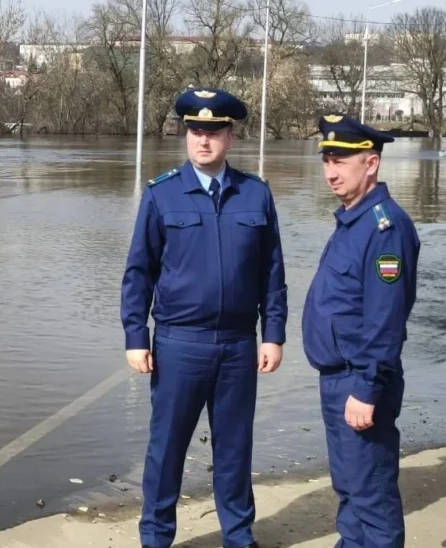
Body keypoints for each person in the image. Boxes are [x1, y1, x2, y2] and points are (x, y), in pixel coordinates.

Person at [120, 88, 288, 548]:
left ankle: (238, 536)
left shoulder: (255, 195)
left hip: (237, 345)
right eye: (195, 131)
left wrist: (273, 334)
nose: (204, 140)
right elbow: (139, 271)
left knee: (235, 449)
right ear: (185, 134)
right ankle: (156, 538)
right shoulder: (162, 194)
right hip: (179, 344)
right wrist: (137, 336)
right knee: (167, 449)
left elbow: (272, 271)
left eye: (214, 132)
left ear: (230, 136)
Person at [302, 113, 420, 548]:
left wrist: (368, 388)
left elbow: (386, 320)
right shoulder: (353, 220)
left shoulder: (385, 228)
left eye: (342, 161)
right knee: (350, 489)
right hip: (339, 378)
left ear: (370, 164)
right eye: (327, 160)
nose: (331, 172)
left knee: (371, 496)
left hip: (360, 380)